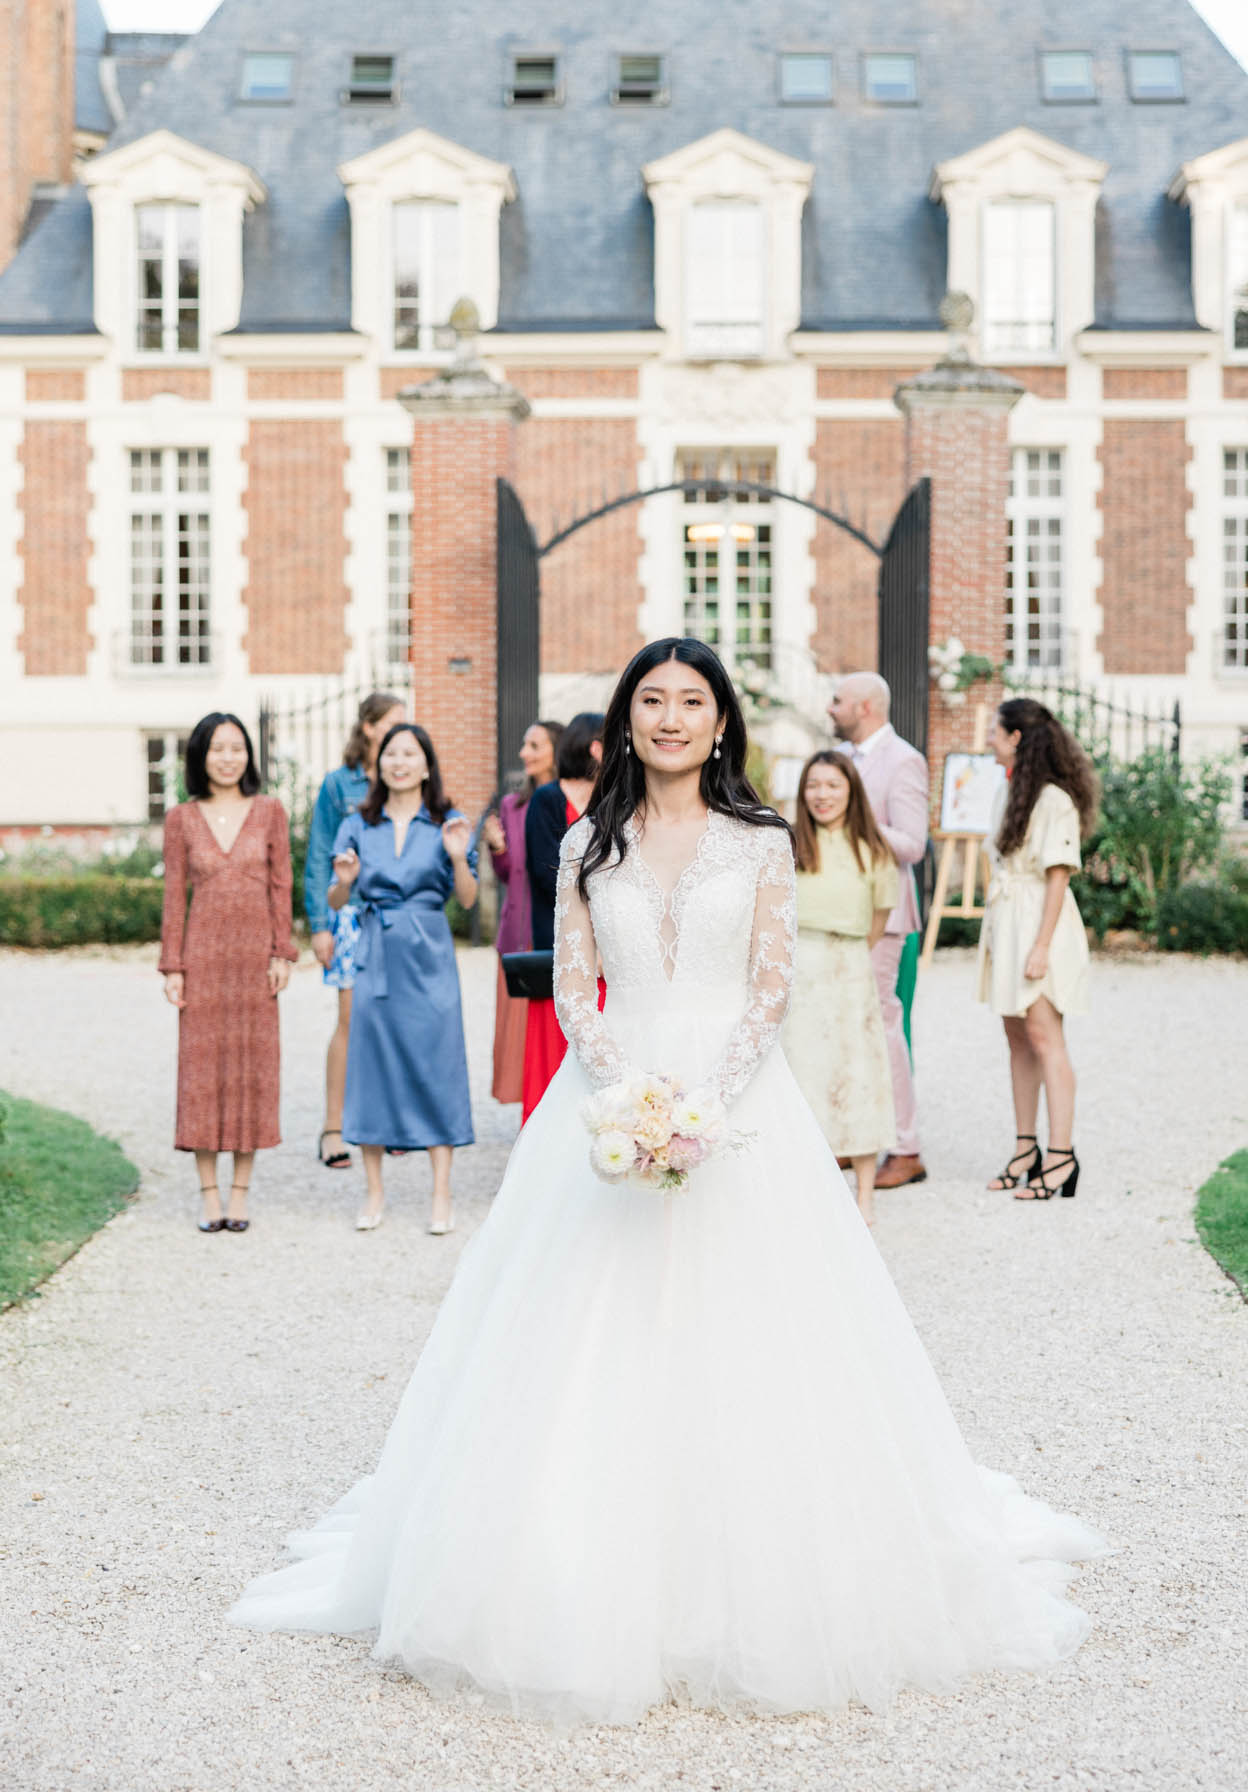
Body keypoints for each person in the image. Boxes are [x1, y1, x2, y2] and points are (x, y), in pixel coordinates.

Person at [232, 637, 1106, 1721]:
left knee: (760, 1338)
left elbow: (770, 982)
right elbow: (573, 986)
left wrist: (703, 1099)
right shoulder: (591, 839)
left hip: (740, 1105)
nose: (671, 717)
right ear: (626, 718)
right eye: (652, 700)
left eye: (692, 700)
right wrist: (630, 1094)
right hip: (607, 1100)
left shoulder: (759, 840)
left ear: (721, 721)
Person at [327, 724, 479, 1235]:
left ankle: (441, 1191)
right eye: (391, 753)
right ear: (378, 764)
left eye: (409, 753)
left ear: (426, 764)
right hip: (376, 950)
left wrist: (458, 857)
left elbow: (468, 899)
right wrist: (344, 885)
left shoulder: (448, 822)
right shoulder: (357, 824)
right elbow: (335, 900)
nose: (399, 762)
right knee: (370, 1065)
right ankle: (374, 1191)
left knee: (437, 1062)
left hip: (429, 951)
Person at [159, 712, 297, 1233]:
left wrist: (282, 953)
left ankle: (240, 1193)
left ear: (249, 755)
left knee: (251, 1072)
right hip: (203, 961)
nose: (227, 757)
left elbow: (281, 886)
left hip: (255, 962)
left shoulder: (270, 812)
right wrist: (173, 965)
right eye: (217, 748)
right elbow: (174, 896)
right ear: (200, 756)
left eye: (236, 747)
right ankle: (208, 1194)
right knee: (202, 1075)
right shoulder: (182, 819)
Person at [979, 698, 1097, 1203]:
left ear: (1016, 738)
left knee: (1046, 1036)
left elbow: (1058, 876)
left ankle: (1061, 1154)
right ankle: (1026, 1146)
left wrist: (1042, 946)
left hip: (1039, 924)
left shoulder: (1054, 801)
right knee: (1016, 1037)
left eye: (994, 730)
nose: (987, 737)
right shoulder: (1010, 795)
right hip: (1008, 922)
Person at [783, 751, 898, 1225]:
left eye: (833, 785)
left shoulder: (871, 849)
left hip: (849, 968)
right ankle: (803, 1189)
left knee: (858, 1076)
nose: (822, 795)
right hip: (799, 969)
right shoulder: (788, 846)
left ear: (851, 789)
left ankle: (865, 1196)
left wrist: (846, 953)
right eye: (814, 785)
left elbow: (879, 917)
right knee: (801, 1074)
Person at [829, 672, 930, 1188]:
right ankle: (854, 1138)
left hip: (882, 915)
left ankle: (906, 1147)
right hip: (838, 912)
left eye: (837, 700)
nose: (830, 709)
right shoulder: (843, 760)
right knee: (845, 1027)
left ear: (865, 706)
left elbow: (913, 844)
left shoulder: (904, 761)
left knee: (885, 1028)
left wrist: (853, 820)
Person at [303, 691, 405, 1169]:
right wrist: (318, 926)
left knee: (392, 1021)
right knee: (349, 1020)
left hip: (395, 916)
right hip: (348, 916)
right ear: (368, 728)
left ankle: (388, 1124)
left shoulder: (401, 780)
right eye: (392, 724)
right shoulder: (337, 786)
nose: (401, 733)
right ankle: (333, 1127)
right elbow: (318, 854)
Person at [520, 711, 604, 1122]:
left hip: (609, 945)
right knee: (554, 1041)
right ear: (593, 746)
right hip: (558, 938)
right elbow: (541, 870)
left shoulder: (613, 798)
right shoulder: (548, 799)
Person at [483, 720, 564, 1106]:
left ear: (557, 750)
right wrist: (497, 849)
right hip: (516, 930)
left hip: (549, 926)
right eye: (524, 744)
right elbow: (508, 873)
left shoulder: (563, 802)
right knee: (515, 1030)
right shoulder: (511, 806)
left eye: (534, 745)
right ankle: (528, 1104)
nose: (524, 753)